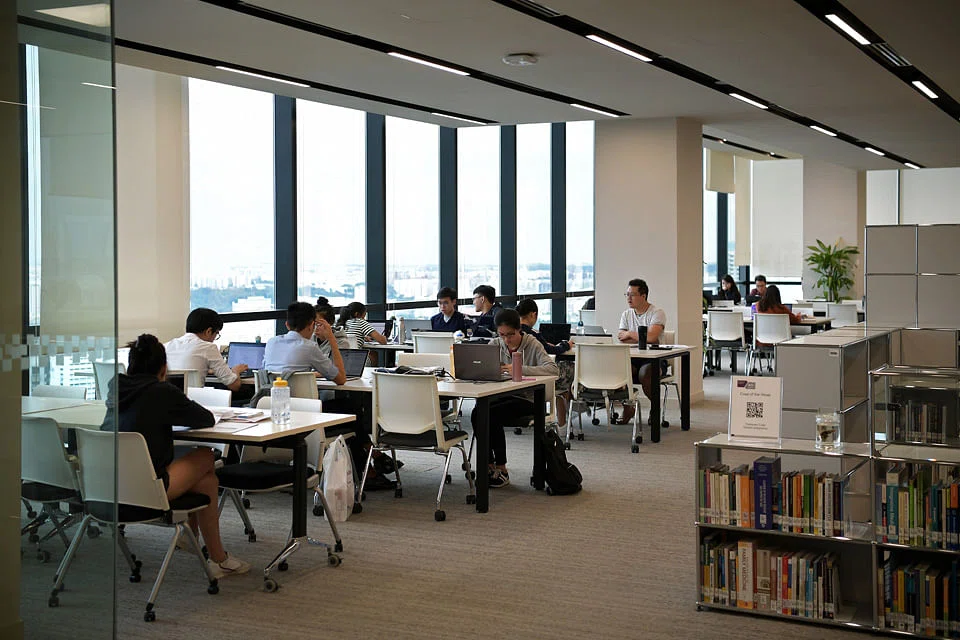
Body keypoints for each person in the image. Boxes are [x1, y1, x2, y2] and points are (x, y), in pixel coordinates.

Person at [102, 335, 249, 578]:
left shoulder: (115, 387)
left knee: (207, 482)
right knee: (205, 456)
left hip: (109, 485)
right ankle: (213, 555)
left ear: (131, 365)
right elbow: (205, 419)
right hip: (147, 490)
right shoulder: (162, 391)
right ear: (163, 368)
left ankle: (209, 552)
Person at [264, 302, 396, 490]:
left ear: (286, 324)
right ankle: (369, 464)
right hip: (306, 418)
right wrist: (332, 339)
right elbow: (341, 378)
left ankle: (371, 463)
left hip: (276, 413)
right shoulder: (309, 347)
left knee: (347, 413)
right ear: (311, 325)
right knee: (350, 412)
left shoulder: (272, 343)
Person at [474, 309, 559, 488]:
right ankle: (488, 465)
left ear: (519, 329)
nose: (506, 340)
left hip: (528, 400)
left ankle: (501, 468)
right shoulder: (495, 344)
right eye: (502, 335)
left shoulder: (532, 344)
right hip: (502, 396)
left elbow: (553, 369)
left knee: (491, 413)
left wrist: (519, 368)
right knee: (478, 412)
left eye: (510, 335)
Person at [165, 307, 254, 405]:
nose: (214, 338)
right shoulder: (208, 347)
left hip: (168, 402)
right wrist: (236, 371)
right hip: (195, 404)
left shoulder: (167, 346)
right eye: (216, 334)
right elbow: (234, 385)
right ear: (208, 331)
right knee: (250, 393)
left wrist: (208, 369)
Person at [515, 298, 575, 427]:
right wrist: (566, 345)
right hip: (538, 377)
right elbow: (552, 350)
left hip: (519, 378)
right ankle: (565, 420)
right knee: (570, 369)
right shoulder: (533, 334)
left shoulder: (513, 333)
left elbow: (545, 347)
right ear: (533, 314)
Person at [616, 278, 667, 425]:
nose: (628, 298)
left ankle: (655, 408)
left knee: (645, 373)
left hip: (655, 359)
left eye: (632, 295)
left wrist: (630, 334)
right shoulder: (626, 314)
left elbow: (651, 337)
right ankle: (628, 407)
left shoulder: (657, 313)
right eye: (627, 294)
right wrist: (640, 337)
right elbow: (621, 339)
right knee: (618, 369)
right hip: (632, 358)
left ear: (643, 296)